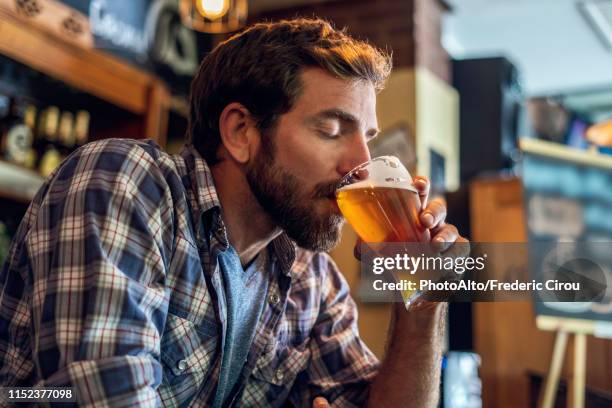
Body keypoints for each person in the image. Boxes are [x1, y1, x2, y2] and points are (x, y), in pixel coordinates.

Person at [0, 18, 468, 407]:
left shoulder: (311, 280)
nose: (360, 165)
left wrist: (423, 302)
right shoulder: (128, 181)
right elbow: (98, 396)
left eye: (367, 136)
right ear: (241, 131)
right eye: (330, 129)